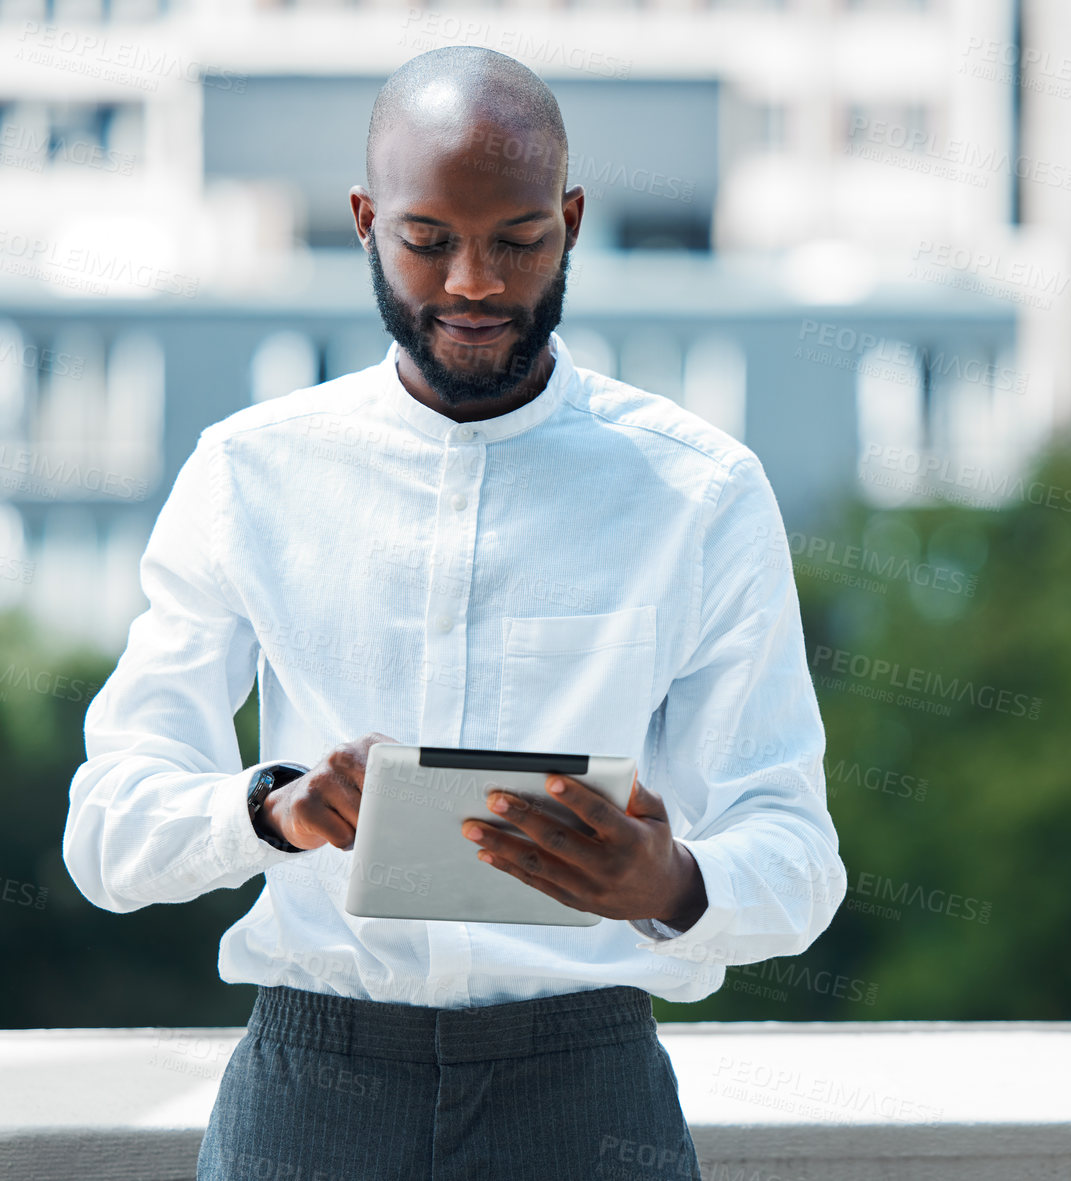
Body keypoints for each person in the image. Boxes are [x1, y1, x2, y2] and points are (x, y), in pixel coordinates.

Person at [61, 45, 845, 1181]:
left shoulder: (700, 492)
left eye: (517, 239)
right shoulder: (246, 473)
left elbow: (798, 855)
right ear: (367, 221)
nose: (473, 282)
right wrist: (277, 811)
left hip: (587, 1090)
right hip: (309, 1083)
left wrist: (666, 881)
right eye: (428, 240)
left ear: (570, 221)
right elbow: (107, 833)